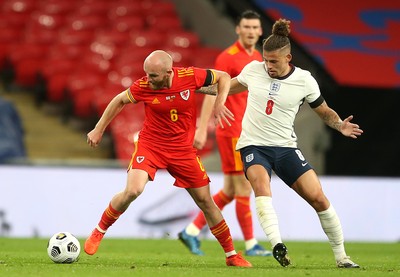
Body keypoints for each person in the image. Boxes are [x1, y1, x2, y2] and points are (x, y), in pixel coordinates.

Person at [84, 50, 252, 267]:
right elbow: (119, 100)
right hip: (151, 146)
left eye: (153, 75)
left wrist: (220, 102)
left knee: (205, 202)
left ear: (168, 71)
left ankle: (231, 255)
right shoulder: (144, 86)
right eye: (147, 74)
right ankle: (99, 230)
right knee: (133, 190)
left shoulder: (189, 77)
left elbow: (224, 77)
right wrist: (98, 129)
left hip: (182, 151)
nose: (148, 79)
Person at [221, 19, 363, 268]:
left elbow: (323, 110)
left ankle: (342, 257)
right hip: (254, 146)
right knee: (261, 186)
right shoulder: (253, 70)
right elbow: (226, 87)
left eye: (273, 61)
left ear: (288, 57)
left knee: (318, 198)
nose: (268, 66)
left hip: (286, 148)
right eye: (266, 60)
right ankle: (277, 245)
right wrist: (192, 87)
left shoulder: (305, 80)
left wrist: (340, 124)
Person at [178, 10, 271, 257]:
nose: (251, 31)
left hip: (247, 130)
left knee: (231, 190)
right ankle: (251, 245)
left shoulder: (260, 57)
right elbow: (211, 91)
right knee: (244, 187)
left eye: (255, 28)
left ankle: (191, 231)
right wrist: (201, 128)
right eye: (246, 27)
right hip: (232, 131)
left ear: (260, 31)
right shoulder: (227, 57)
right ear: (238, 30)